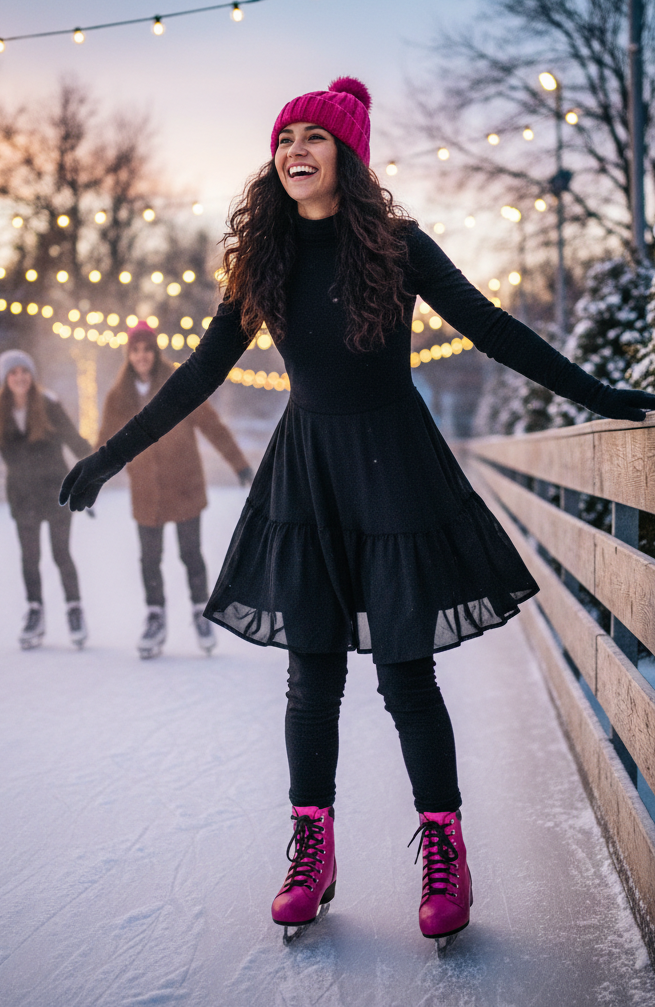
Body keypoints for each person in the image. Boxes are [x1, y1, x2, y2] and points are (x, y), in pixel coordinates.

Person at [60, 77, 655, 946]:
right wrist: (111, 454)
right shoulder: (264, 262)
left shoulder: (399, 248)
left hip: (394, 469)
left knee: (407, 675)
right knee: (312, 677)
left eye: (315, 137)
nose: (295, 151)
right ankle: (314, 846)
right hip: (307, 477)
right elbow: (198, 373)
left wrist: (597, 392)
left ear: (347, 154)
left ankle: (444, 850)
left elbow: (493, 329)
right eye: (285, 137)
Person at [98, 320, 253, 658]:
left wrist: (239, 464)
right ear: (129, 355)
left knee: (190, 554)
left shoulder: (177, 384)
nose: (142, 356)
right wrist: (94, 480)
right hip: (147, 492)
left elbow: (213, 426)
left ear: (155, 351)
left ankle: (200, 612)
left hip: (184, 485)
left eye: (147, 349)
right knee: (149, 559)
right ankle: (156, 616)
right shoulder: (119, 395)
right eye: (136, 351)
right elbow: (105, 442)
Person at [0, 349, 92, 649]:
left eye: (24, 371)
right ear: (5, 379)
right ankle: (35, 611)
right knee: (30, 558)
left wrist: (97, 466)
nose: (20, 377)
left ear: (31, 375)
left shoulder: (49, 405)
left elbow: (73, 439)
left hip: (56, 492)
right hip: (22, 496)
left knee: (60, 554)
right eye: (13, 373)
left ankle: (74, 610)